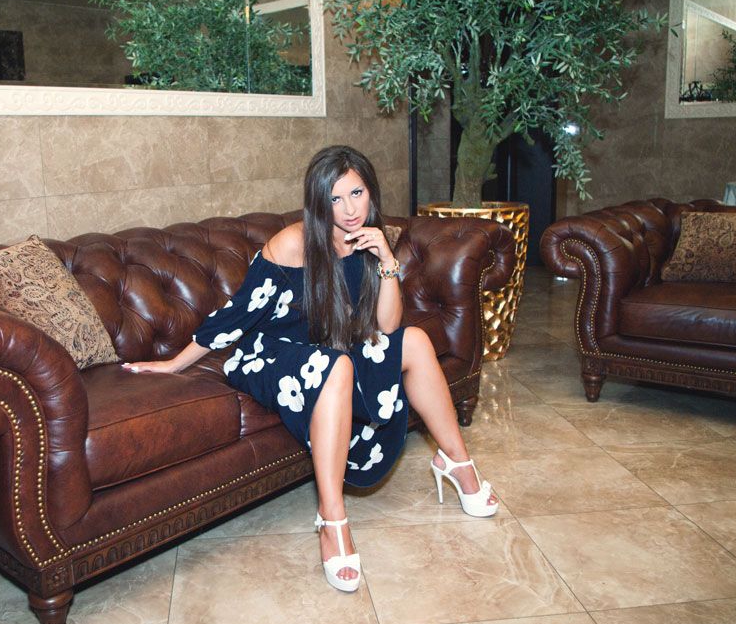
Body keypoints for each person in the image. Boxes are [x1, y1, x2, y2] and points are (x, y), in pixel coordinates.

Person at [122, 145, 498, 593]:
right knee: (337, 365)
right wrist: (172, 364)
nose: (350, 209)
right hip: (268, 353)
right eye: (335, 199)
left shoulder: (369, 237)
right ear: (319, 201)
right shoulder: (292, 243)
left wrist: (387, 261)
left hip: (329, 348)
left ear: (370, 192)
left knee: (414, 340)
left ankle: (456, 462)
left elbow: (388, 326)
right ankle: (331, 517)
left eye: (357, 193)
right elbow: (238, 314)